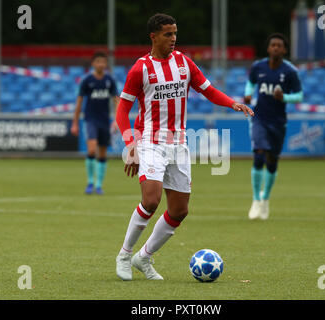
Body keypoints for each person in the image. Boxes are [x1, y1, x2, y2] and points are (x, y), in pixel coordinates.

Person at [115, 13, 254, 281]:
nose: (173, 39)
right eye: (168, 34)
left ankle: (143, 257)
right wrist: (130, 144)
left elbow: (208, 89)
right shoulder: (140, 69)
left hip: (179, 143)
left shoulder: (184, 62)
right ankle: (124, 254)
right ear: (153, 36)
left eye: (175, 33)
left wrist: (232, 103)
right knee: (151, 199)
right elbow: (122, 110)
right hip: (150, 142)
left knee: (180, 210)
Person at [244, 33, 303, 220]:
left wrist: (284, 97)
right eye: (273, 45)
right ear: (268, 48)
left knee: (271, 160)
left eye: (279, 45)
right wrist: (247, 94)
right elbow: (251, 82)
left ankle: (265, 199)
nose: (276, 48)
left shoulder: (290, 72)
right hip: (259, 117)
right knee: (259, 154)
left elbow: (299, 96)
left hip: (278, 122)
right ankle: (255, 200)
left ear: (284, 50)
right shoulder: (258, 66)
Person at [71, 51, 120, 195]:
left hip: (104, 121)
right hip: (90, 120)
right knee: (92, 150)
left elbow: (116, 100)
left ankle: (99, 185)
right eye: (98, 62)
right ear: (93, 63)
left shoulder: (110, 81)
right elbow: (79, 103)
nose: (101, 64)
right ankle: (90, 182)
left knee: (103, 153)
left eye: (103, 62)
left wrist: (116, 120)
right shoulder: (87, 81)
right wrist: (75, 123)